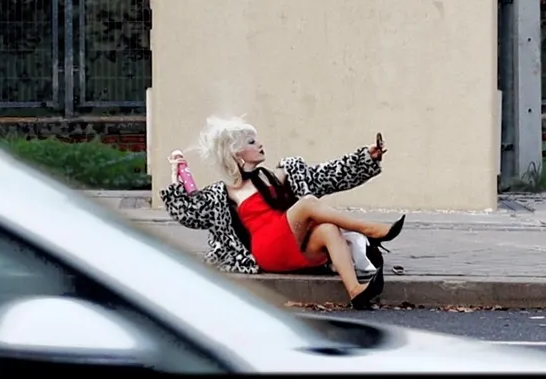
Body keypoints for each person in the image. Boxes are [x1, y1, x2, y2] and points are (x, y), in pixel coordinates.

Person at [161, 116, 406, 310]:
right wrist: (176, 179)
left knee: (328, 229)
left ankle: (355, 291)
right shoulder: (222, 193)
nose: (259, 144)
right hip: (266, 249)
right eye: (251, 142)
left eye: (256, 140)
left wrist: (365, 157)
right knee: (308, 203)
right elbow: (189, 214)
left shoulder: (274, 176)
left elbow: (325, 176)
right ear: (236, 153)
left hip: (290, 242)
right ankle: (370, 229)